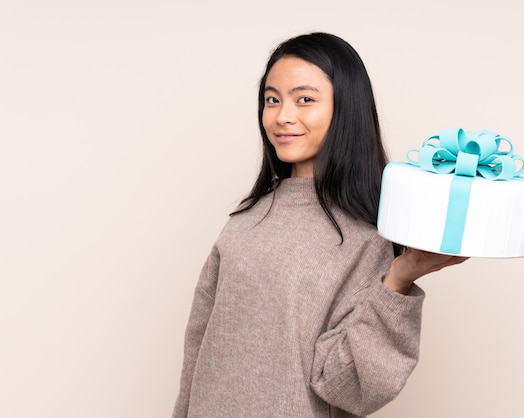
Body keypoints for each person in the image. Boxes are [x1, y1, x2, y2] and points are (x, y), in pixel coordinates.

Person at [172, 32, 467, 418]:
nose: (282, 116)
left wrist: (398, 281)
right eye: (272, 99)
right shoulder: (243, 222)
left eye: (304, 99)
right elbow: (198, 354)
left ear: (345, 110)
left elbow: (350, 386)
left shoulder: (369, 233)